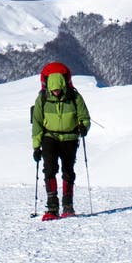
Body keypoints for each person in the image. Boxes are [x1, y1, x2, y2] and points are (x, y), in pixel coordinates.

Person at [31, 61, 91, 219]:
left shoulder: (74, 96)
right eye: (53, 90)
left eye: (58, 89)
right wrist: (36, 146)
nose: (56, 92)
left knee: (68, 171)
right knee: (49, 170)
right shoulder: (43, 98)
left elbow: (84, 117)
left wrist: (83, 127)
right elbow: (37, 123)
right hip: (49, 137)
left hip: (70, 138)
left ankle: (67, 206)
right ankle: (52, 207)